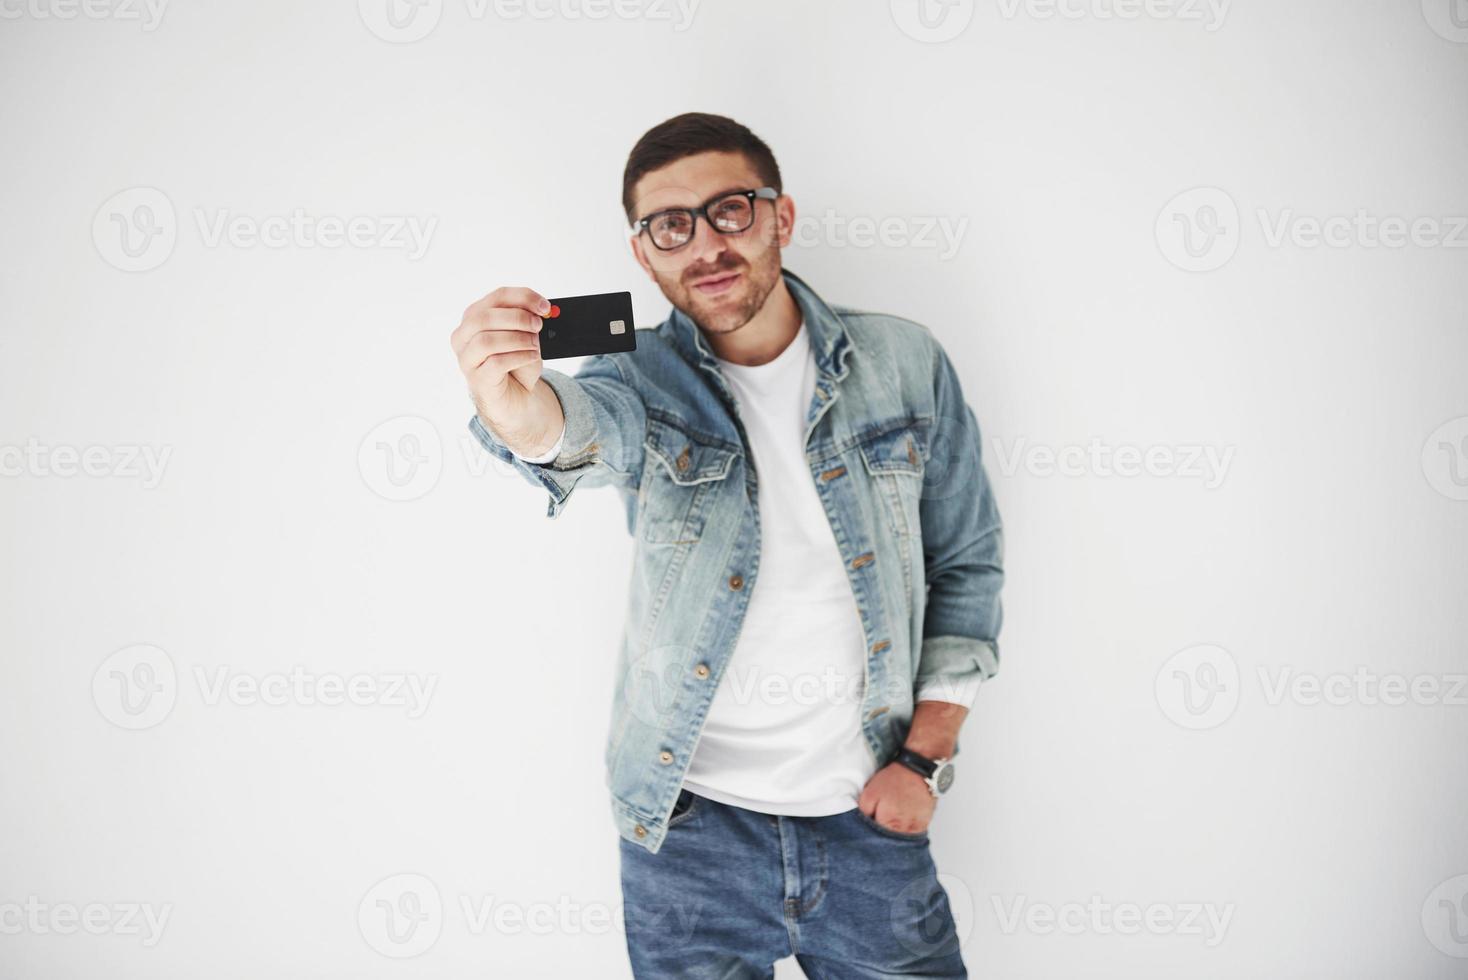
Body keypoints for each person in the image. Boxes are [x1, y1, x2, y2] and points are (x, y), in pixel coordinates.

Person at [448, 111, 1004, 979]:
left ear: (781, 217)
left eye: (730, 210)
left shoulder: (904, 362)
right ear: (644, 254)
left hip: (868, 819)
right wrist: (519, 416)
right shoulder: (638, 380)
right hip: (687, 836)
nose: (704, 244)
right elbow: (585, 429)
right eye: (671, 225)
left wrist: (923, 762)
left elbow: (966, 563)